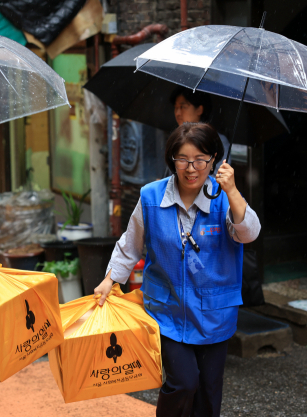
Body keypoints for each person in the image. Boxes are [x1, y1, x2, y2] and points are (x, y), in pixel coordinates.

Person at [95, 122, 261, 417]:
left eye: (200, 159)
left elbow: (249, 233)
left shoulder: (224, 198)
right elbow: (130, 244)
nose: (191, 168)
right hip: (167, 311)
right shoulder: (151, 197)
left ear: (214, 160)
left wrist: (233, 190)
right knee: (184, 382)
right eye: (182, 159)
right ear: (172, 160)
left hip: (215, 314)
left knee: (209, 391)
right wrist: (110, 280)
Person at [164, 88, 230, 177]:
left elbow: (218, 176)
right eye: (176, 107)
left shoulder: (217, 140)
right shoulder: (176, 138)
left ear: (199, 110)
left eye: (183, 107)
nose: (178, 113)